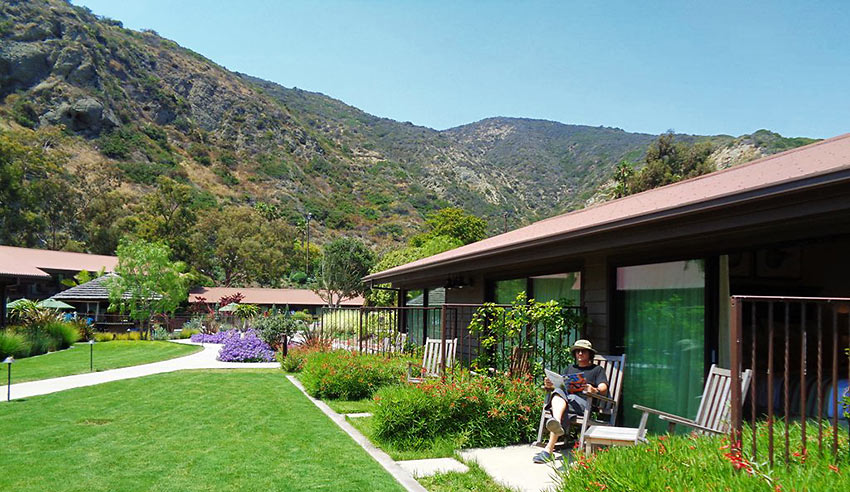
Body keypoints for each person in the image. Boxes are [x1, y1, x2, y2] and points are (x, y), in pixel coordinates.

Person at [533, 339, 609, 464]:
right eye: (577, 351)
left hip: (584, 405)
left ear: (590, 353)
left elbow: (603, 388)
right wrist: (550, 384)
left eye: (583, 351)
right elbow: (562, 385)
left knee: (562, 399)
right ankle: (554, 431)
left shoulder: (597, 370)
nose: (579, 353)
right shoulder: (570, 368)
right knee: (557, 392)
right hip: (567, 403)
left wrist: (593, 389)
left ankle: (549, 447)